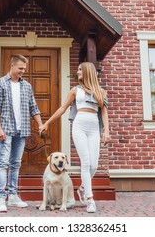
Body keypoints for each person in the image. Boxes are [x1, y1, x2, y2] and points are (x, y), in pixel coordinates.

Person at [39, 62, 109, 213]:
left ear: (87, 71)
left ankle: (84, 187)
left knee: (94, 165)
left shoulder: (101, 91)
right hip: (79, 126)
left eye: (79, 70)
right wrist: (48, 123)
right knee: (86, 162)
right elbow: (62, 108)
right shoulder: (75, 91)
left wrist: (106, 131)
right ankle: (90, 199)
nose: (77, 72)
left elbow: (103, 112)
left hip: (94, 128)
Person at [0, 54, 44, 212]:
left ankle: (12, 196)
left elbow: (33, 107)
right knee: (2, 163)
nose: (23, 71)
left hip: (22, 131)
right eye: (20, 68)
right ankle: (1, 197)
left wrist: (40, 124)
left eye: (24, 69)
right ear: (12, 65)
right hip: (5, 130)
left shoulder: (26, 85)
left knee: (15, 164)